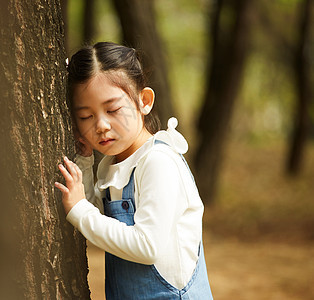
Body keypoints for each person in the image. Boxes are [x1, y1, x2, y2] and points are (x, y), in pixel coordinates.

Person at [54, 42, 213, 299]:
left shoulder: (158, 161)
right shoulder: (113, 164)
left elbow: (147, 246)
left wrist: (79, 210)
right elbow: (102, 223)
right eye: (85, 116)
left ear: (144, 101)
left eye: (113, 109)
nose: (102, 125)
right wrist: (84, 162)